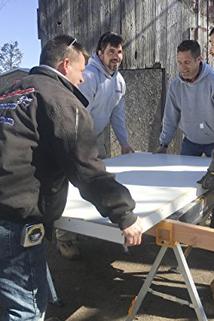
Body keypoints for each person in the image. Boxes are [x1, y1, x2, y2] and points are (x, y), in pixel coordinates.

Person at [0, 34, 144, 321]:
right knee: (25, 310)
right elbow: (86, 168)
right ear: (66, 65)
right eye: (80, 71)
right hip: (15, 222)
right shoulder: (60, 99)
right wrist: (124, 215)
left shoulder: (10, 93)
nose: (82, 80)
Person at [56, 32, 134, 259]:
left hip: (95, 136)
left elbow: (117, 115)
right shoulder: (89, 76)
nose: (116, 56)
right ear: (100, 53)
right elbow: (77, 112)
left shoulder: (119, 81)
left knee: (101, 180)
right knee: (72, 183)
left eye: (119, 52)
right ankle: (65, 237)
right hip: (76, 137)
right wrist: (82, 148)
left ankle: (95, 222)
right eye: (111, 51)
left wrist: (125, 144)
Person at [158, 40, 214, 156]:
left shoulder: (212, 81)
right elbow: (170, 117)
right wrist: (164, 144)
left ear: (199, 60)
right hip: (190, 142)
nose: (183, 68)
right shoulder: (175, 86)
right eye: (179, 62)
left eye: (187, 62)